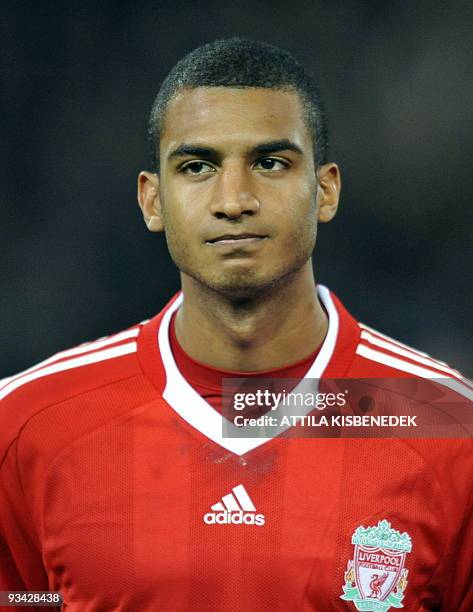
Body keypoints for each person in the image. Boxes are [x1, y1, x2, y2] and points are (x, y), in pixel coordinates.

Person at [0, 38, 471, 612]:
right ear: (152, 200)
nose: (234, 200)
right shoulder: (28, 423)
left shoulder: (445, 423)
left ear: (325, 190)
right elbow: (25, 598)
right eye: (198, 166)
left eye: (270, 163)